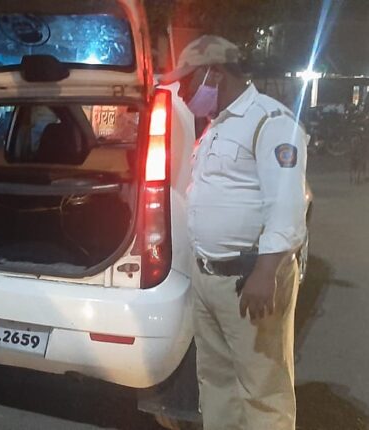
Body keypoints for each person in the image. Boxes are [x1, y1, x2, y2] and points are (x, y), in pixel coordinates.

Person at [160, 35, 308, 430]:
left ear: (215, 73)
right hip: (209, 279)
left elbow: (286, 205)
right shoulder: (217, 126)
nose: (182, 92)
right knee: (216, 381)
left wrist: (266, 272)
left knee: (262, 388)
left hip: (248, 280)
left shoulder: (270, 121)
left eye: (187, 80)